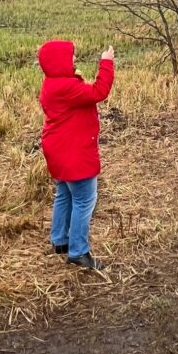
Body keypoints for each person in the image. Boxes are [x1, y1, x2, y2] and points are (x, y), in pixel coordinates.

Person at [37, 40, 115, 271]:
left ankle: (59, 240)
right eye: (70, 57)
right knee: (84, 200)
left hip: (59, 150)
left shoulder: (53, 83)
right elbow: (98, 92)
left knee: (64, 194)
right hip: (74, 153)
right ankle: (78, 252)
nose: (73, 60)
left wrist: (76, 76)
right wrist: (106, 63)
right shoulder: (66, 87)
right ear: (59, 62)